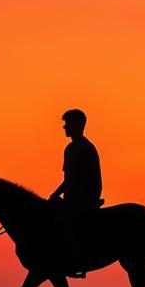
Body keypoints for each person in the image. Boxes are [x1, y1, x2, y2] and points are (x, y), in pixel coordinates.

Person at [48, 109, 103, 275]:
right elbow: (68, 178)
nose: (65, 127)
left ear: (79, 125)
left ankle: (76, 260)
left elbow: (76, 179)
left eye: (68, 123)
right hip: (71, 197)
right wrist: (56, 194)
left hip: (85, 197)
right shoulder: (69, 149)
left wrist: (58, 194)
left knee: (63, 222)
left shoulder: (86, 148)